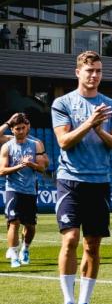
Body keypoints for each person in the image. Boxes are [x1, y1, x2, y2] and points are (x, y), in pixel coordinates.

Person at [51, 50, 112, 304]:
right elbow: (63, 141)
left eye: (98, 71)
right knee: (70, 239)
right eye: (89, 70)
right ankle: (68, 303)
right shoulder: (63, 103)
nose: (94, 76)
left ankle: (84, 303)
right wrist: (89, 123)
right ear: (77, 72)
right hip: (70, 179)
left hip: (99, 182)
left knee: (92, 244)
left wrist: (99, 129)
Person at [2, 113, 47, 267]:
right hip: (13, 188)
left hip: (30, 189)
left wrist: (31, 165)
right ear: (12, 130)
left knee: (30, 225)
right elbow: (1, 170)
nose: (21, 131)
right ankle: (14, 253)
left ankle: (25, 249)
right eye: (17, 128)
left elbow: (42, 168)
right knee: (13, 221)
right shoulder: (7, 146)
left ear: (27, 128)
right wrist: (19, 166)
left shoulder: (36, 144)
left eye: (23, 128)